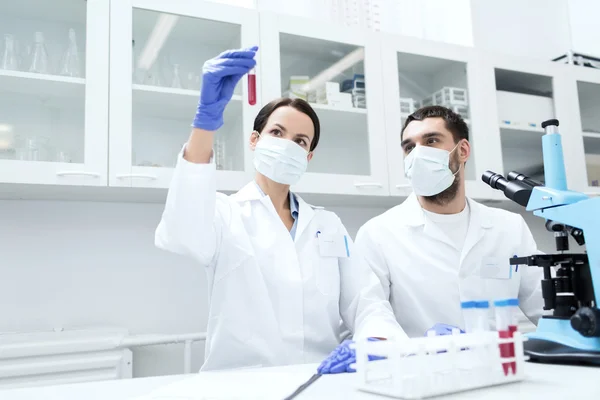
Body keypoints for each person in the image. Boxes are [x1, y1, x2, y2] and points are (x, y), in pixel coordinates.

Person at [155, 46, 405, 372]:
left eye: (301, 141)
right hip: (242, 388)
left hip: (320, 383)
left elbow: (366, 301)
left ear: (309, 157)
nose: (288, 144)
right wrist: (205, 123)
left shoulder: (328, 225)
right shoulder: (224, 214)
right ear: (255, 140)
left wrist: (377, 340)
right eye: (277, 132)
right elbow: (182, 232)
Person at [355, 105, 545, 337]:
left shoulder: (509, 228)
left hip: (500, 366)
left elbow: (544, 305)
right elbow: (371, 312)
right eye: (409, 147)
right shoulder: (378, 234)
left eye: (431, 141)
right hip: (424, 367)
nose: (418, 154)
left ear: (462, 150)